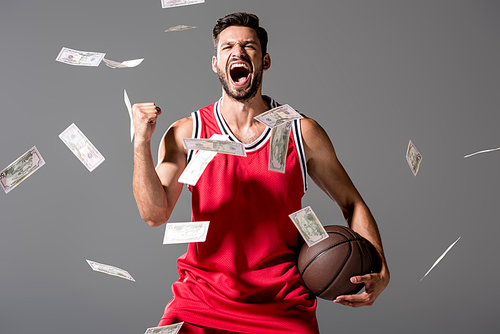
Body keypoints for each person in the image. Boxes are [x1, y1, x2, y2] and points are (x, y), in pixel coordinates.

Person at [132, 12, 390, 334]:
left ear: (265, 61)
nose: (237, 52)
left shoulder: (301, 130)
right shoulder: (188, 131)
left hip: (283, 306)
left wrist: (380, 265)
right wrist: (140, 143)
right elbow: (155, 214)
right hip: (200, 301)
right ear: (215, 63)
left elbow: (353, 203)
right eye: (227, 47)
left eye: (248, 46)